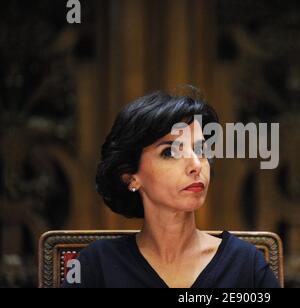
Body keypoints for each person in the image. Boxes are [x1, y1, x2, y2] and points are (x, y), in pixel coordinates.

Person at [62, 89, 280, 288]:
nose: (196, 165)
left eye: (200, 149)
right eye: (170, 152)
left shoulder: (245, 264)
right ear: (131, 177)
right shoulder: (97, 265)